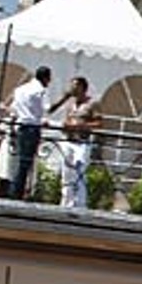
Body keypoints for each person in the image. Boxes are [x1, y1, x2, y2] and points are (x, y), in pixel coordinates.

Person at [50, 76, 101, 210]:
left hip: (82, 141)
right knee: (67, 171)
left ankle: (80, 203)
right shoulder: (70, 104)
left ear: (83, 88)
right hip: (68, 140)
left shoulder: (92, 104)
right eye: (72, 86)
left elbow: (99, 123)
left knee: (80, 170)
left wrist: (81, 126)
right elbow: (56, 112)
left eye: (75, 86)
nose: (72, 89)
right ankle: (66, 201)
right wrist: (66, 125)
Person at [7, 66, 52, 200]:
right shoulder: (40, 90)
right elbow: (48, 108)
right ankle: (17, 192)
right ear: (45, 78)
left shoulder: (20, 89)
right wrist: (65, 98)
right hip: (32, 127)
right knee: (26, 162)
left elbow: (13, 109)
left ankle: (16, 190)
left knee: (21, 160)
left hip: (21, 126)